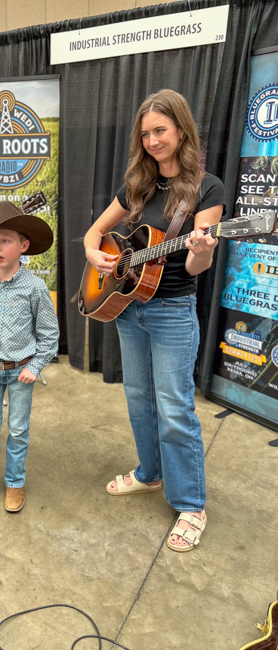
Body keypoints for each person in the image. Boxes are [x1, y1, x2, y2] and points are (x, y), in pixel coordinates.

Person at [84, 89, 225, 552]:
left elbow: (195, 267)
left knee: (175, 408)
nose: (152, 141)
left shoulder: (207, 189)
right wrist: (94, 254)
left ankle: (191, 504)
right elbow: (94, 233)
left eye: (160, 131)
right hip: (129, 306)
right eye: (145, 134)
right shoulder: (138, 184)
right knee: (138, 398)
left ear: (181, 130)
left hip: (172, 313)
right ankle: (150, 473)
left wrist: (203, 250)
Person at [0, 202, 59, 513]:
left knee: (18, 430)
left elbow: (49, 335)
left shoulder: (35, 288)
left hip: (20, 373)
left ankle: (15, 483)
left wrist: (35, 366)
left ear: (23, 246)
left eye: (5, 240)